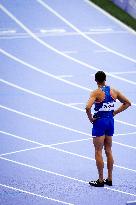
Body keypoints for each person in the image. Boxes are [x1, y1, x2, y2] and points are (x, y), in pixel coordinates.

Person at [85, 71, 131, 187]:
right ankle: (109, 179)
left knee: (98, 151)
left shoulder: (95, 93)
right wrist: (115, 112)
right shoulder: (114, 91)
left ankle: (100, 180)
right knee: (109, 150)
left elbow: (87, 107)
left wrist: (91, 118)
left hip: (99, 122)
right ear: (105, 79)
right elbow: (127, 103)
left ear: (95, 80)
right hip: (110, 122)